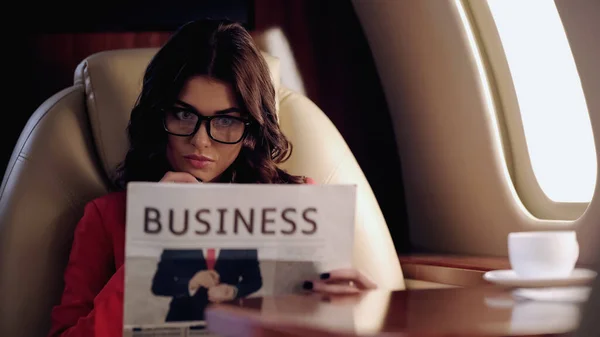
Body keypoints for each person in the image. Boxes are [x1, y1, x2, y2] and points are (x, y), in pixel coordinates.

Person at [47, 19, 377, 337]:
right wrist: (154, 250)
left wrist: (359, 311)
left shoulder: (298, 204)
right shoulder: (106, 219)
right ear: (158, 115)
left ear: (251, 129)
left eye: (226, 121)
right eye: (184, 114)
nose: (201, 141)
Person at [151, 248, 262, 322]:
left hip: (226, 320)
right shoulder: (178, 242)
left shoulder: (242, 241)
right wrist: (191, 283)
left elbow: (255, 281)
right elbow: (159, 285)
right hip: (184, 318)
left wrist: (234, 291)